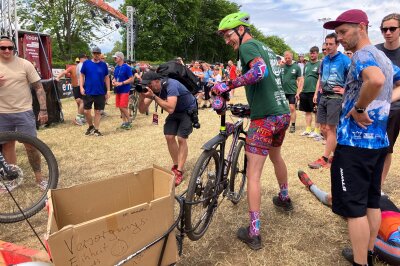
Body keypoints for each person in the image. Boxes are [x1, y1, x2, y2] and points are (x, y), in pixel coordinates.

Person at [323, 9, 400, 266]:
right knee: (371, 201)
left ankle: (360, 262)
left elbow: (375, 80)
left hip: (355, 143)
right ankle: (367, 253)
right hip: (378, 141)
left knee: (355, 210)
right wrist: (383, 101)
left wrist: (358, 108)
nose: (341, 38)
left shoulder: (364, 55)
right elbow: (387, 80)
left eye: (344, 32)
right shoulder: (383, 57)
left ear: (362, 27)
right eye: (338, 34)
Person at [214, 12, 291, 250]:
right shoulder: (264, 47)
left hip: (265, 118)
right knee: (276, 156)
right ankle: (284, 198)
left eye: (228, 35)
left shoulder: (247, 47)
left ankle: (254, 232)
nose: (227, 41)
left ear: (240, 29)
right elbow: (266, 83)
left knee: (254, 174)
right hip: (282, 113)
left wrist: (227, 84)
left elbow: (259, 73)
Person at [0, 35, 48, 190]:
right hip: (2, 114)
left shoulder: (25, 64)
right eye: (3, 48)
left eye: (10, 47)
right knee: (7, 146)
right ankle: (13, 178)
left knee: (31, 146)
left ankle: (39, 178)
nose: (7, 50)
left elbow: (39, 87)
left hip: (23, 112)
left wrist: (43, 110)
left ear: (14, 49)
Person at [137, 71, 197, 186]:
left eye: (149, 84)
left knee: (181, 138)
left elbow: (170, 109)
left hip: (187, 110)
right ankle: (176, 165)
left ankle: (179, 171)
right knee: (169, 136)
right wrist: (141, 97)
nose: (147, 87)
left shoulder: (171, 85)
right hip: (175, 110)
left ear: (156, 81)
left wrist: (154, 96)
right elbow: (142, 110)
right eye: (145, 84)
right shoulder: (153, 89)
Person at [308, 33, 351, 169]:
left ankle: (325, 158)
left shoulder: (345, 60)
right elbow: (320, 78)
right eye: (326, 44)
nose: (328, 46)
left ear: (337, 45)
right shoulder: (325, 60)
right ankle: (339, 156)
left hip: (336, 98)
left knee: (331, 129)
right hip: (324, 97)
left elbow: (354, 78)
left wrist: (345, 89)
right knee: (323, 128)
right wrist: (317, 92)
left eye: (331, 44)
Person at [376, 13, 400, 188]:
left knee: (386, 149)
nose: (388, 32)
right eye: (384, 29)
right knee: (374, 148)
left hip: (394, 108)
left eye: (392, 28)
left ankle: (378, 187)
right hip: (374, 107)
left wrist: (387, 99)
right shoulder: (375, 51)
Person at [79, 47, 110, 136]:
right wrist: (81, 87)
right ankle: (90, 126)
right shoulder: (86, 63)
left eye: (98, 53)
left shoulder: (103, 65)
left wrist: (108, 90)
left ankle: (96, 129)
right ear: (92, 54)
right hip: (88, 91)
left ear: (100, 54)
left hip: (100, 92)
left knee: (98, 112)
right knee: (86, 111)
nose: (96, 55)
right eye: (95, 53)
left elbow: (107, 78)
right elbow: (81, 75)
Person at [297, 46, 321, 136]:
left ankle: (317, 131)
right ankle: (308, 129)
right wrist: (299, 91)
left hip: (314, 92)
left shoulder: (320, 64)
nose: (312, 55)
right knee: (307, 111)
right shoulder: (306, 65)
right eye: (311, 53)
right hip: (305, 91)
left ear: (317, 54)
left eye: (314, 53)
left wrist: (316, 94)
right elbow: (303, 78)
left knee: (316, 112)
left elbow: (320, 79)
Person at [56, 57, 84, 125]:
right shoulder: (73, 68)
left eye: (78, 63)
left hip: (81, 86)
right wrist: (58, 77)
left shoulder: (82, 68)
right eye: (77, 62)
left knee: (82, 102)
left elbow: (64, 72)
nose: (77, 64)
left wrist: (58, 77)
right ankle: (81, 117)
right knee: (79, 103)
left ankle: (79, 117)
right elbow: (64, 72)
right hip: (76, 87)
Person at [281, 50, 303, 133]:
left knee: (292, 108)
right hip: (282, 91)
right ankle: (282, 124)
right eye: (285, 57)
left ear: (292, 57)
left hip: (292, 91)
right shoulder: (281, 66)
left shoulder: (296, 67)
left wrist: (298, 92)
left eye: (289, 57)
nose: (287, 59)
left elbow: (300, 80)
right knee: (281, 109)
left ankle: (292, 125)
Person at [112, 52, 133, 130]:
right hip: (118, 90)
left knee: (122, 106)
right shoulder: (116, 67)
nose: (114, 59)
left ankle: (129, 120)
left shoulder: (127, 67)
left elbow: (131, 78)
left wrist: (122, 83)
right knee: (120, 107)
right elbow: (114, 77)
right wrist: (113, 81)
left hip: (125, 89)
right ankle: (124, 122)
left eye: (115, 57)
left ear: (120, 58)